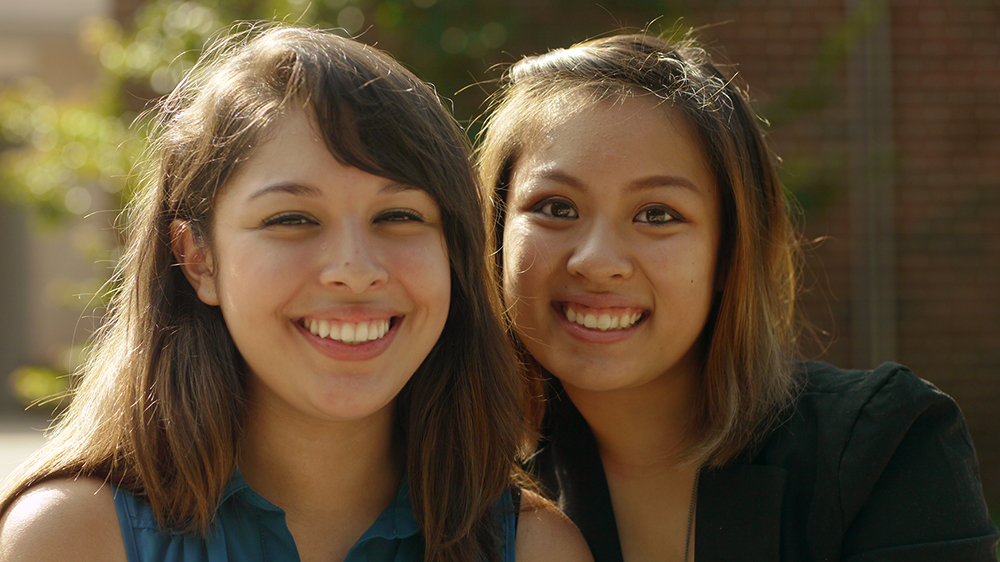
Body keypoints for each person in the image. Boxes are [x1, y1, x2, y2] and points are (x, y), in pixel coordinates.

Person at [0, 24, 592, 562]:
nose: (355, 270)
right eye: (292, 219)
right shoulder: (71, 538)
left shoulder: (535, 548)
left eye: (398, 216)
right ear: (197, 258)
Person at [477, 32, 999, 562]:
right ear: (495, 235)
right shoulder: (462, 488)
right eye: (556, 207)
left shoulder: (884, 449)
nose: (596, 260)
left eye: (657, 214)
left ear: (729, 253)